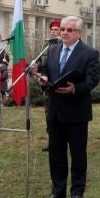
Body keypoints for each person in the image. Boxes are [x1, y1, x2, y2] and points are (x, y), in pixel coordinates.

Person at [39, 16, 100, 198]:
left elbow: (93, 80)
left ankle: (76, 193)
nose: (64, 32)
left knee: (78, 154)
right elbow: (46, 69)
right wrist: (44, 78)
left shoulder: (89, 53)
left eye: (69, 30)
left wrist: (76, 89)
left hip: (76, 113)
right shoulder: (54, 49)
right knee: (56, 154)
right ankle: (58, 192)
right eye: (63, 29)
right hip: (55, 111)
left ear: (79, 33)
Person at [40, 19, 62, 151]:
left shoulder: (63, 45)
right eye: (52, 30)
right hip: (47, 86)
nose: (53, 32)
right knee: (49, 115)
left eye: (56, 30)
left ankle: (62, 140)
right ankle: (51, 140)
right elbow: (42, 63)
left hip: (59, 84)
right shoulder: (46, 45)